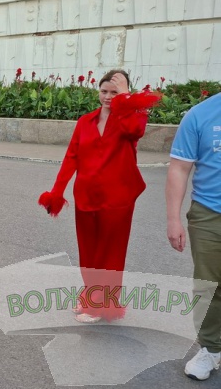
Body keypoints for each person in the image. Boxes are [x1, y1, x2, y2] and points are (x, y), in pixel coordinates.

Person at [38, 70, 160, 323]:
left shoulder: (131, 117)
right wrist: (57, 191)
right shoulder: (86, 121)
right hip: (86, 195)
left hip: (118, 198)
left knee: (110, 253)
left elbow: (135, 131)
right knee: (88, 252)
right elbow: (71, 156)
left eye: (114, 92)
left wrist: (125, 99)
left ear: (124, 93)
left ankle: (99, 305)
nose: (108, 97)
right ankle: (91, 295)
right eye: (104, 91)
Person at [166, 92, 221, 381]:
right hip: (209, 214)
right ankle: (211, 349)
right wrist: (173, 219)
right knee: (208, 285)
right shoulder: (200, 115)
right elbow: (179, 168)